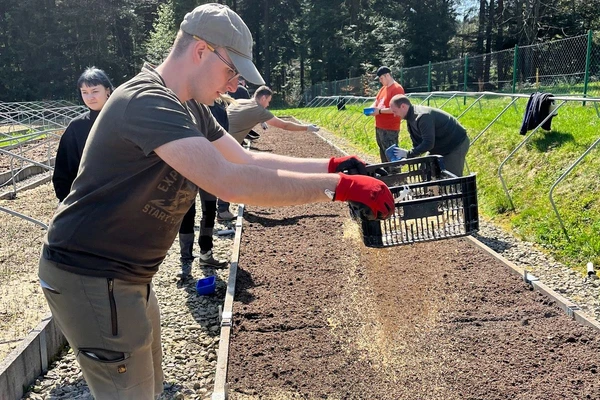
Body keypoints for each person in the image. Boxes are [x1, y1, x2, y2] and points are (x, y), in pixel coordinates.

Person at [37, 4, 393, 399]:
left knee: (148, 386)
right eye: (231, 71)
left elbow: (246, 158)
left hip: (127, 275)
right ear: (201, 50)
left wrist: (333, 164)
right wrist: (339, 187)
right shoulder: (146, 101)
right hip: (91, 273)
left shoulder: (190, 107)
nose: (234, 85)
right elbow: (230, 182)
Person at [178, 97, 230, 277]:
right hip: (186, 171)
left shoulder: (219, 109)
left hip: (209, 168)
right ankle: (185, 260)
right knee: (187, 213)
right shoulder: (183, 103)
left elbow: (224, 137)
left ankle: (206, 253)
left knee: (209, 210)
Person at [52, 67, 113, 202]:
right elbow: (64, 170)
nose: (90, 97)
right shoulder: (76, 126)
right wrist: (68, 201)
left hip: (123, 200)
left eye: (95, 91)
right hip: (87, 200)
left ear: (107, 90)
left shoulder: (122, 120)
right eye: (84, 92)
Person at [389, 94, 470, 177]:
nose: (394, 115)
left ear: (403, 106)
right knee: (425, 171)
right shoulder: (410, 119)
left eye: (395, 111)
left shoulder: (423, 116)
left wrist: (408, 154)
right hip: (439, 145)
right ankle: (434, 189)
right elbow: (418, 143)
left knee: (451, 177)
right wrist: (406, 159)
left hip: (454, 144)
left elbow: (428, 143)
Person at [227, 85, 320, 145]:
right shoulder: (259, 110)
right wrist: (307, 128)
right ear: (263, 98)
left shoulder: (239, 101)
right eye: (268, 101)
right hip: (230, 146)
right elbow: (285, 125)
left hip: (219, 140)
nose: (268, 105)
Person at [368, 66, 405, 162]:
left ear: (387, 75)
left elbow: (396, 109)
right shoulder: (383, 89)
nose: (380, 81)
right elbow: (376, 101)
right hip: (379, 126)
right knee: (383, 153)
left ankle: (396, 175)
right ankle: (386, 174)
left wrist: (379, 111)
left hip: (390, 128)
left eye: (381, 78)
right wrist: (371, 108)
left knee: (392, 154)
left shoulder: (397, 89)